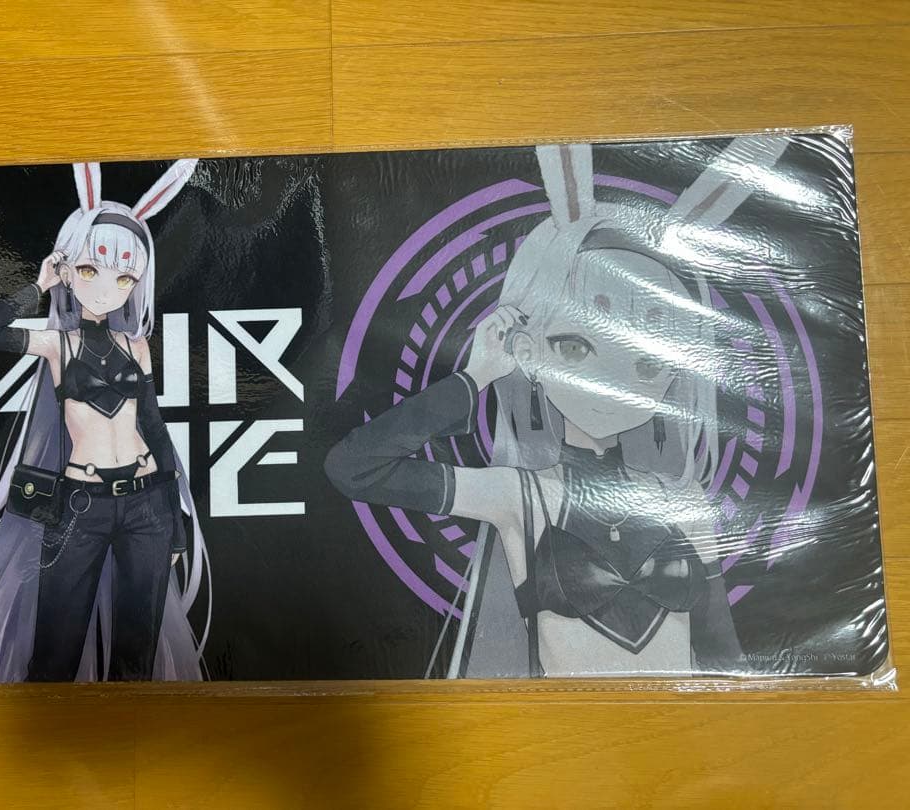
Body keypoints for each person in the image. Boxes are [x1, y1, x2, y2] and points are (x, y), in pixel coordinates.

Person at [326, 138, 787, 677]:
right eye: (575, 347)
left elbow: (725, 660)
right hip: (566, 721)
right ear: (528, 352)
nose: (611, 383)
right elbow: (354, 467)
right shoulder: (517, 497)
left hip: (675, 721)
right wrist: (476, 376)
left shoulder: (685, 500)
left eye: (646, 361)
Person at [0, 161, 209, 683]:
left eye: (124, 278)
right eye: (89, 270)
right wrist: (38, 285)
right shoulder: (56, 344)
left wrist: (174, 522)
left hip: (148, 503)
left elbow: (154, 429)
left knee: (136, 660)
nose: (106, 289)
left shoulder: (136, 345)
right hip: (82, 504)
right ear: (69, 268)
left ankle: (131, 736)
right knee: (54, 655)